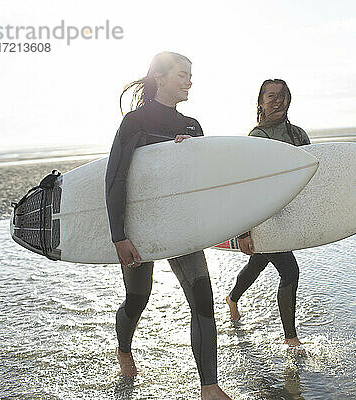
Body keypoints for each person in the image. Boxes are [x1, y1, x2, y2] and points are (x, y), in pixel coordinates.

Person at [105, 52, 231, 400]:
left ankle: (209, 388)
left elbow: (203, 181)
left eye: (191, 75)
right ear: (159, 77)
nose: (189, 80)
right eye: (182, 74)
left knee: (203, 300)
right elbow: (115, 178)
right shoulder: (136, 121)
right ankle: (124, 349)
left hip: (181, 225)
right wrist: (120, 236)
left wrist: (189, 154)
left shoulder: (192, 126)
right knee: (137, 300)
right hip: (143, 226)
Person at [225, 79, 310, 348]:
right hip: (263, 217)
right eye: (271, 96)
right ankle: (291, 339)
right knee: (290, 271)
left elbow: (311, 176)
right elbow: (246, 187)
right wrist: (244, 232)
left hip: (287, 215)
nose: (277, 101)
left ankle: (232, 298)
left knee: (259, 262)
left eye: (282, 96)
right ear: (260, 102)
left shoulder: (298, 135)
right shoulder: (257, 138)